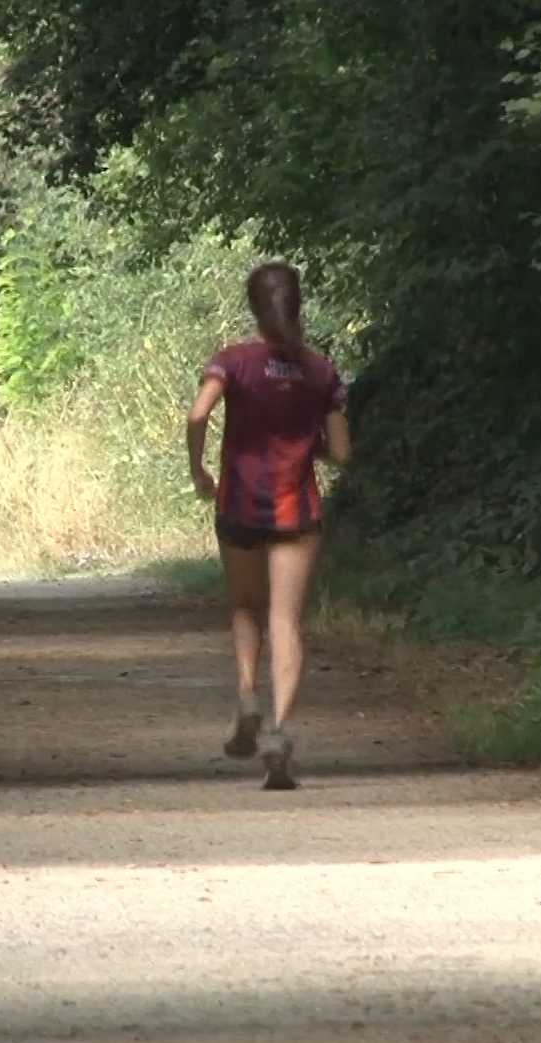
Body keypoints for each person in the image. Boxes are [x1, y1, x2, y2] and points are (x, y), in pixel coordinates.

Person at [186, 262, 352, 790]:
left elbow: (197, 415)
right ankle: (278, 731)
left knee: (245, 608)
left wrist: (199, 469)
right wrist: (309, 445)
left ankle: (246, 697)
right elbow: (342, 452)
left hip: (239, 503)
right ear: (298, 306)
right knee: (286, 621)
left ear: (254, 307)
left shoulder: (232, 361)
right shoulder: (322, 372)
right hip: (295, 511)